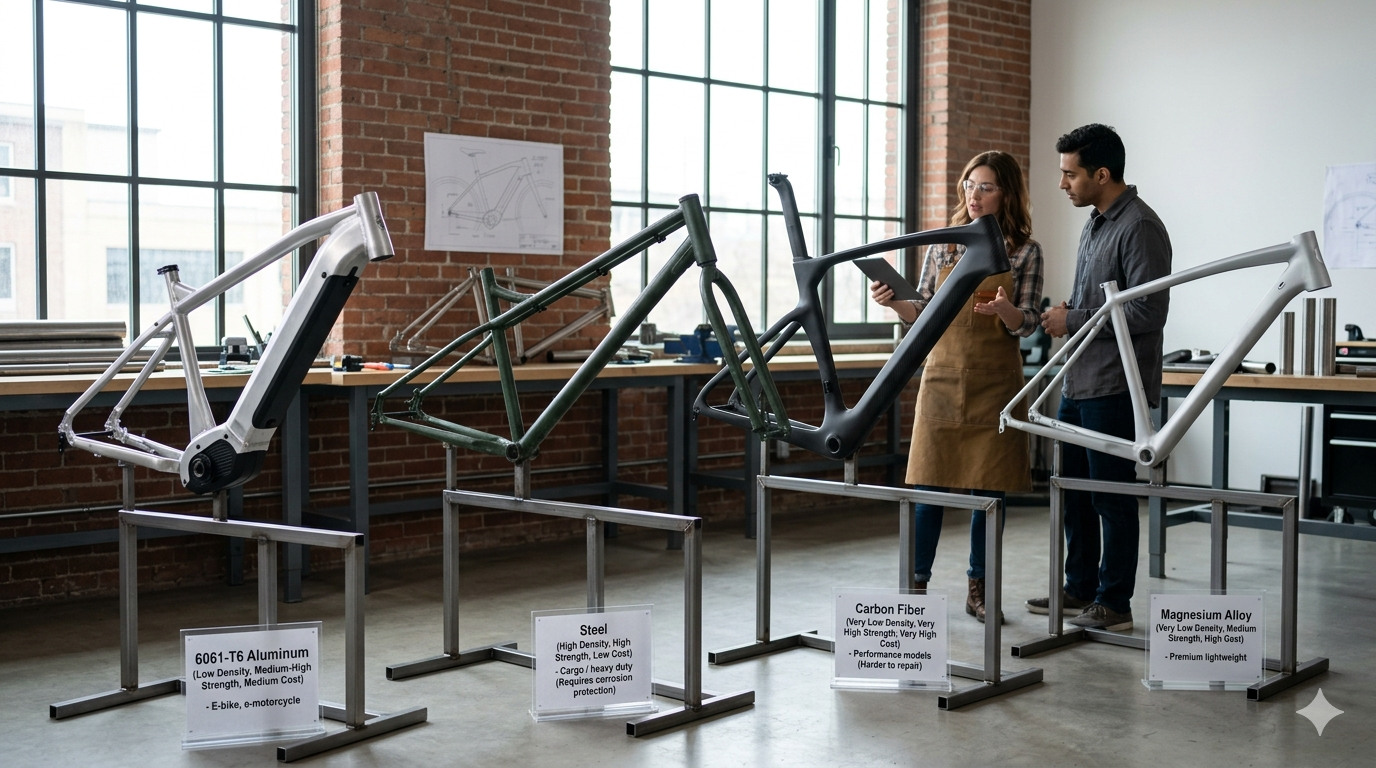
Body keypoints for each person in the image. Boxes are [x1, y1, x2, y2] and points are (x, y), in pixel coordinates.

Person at [870, 150, 1043, 623]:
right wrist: (895, 303)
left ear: (1006, 193)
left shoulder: (1026, 251)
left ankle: (979, 590)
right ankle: (916, 589)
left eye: (985, 186)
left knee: (990, 496)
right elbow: (923, 316)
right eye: (969, 184)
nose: (974, 194)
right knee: (927, 488)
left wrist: (1008, 312)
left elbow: (1027, 322)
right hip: (943, 379)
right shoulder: (944, 247)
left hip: (995, 386)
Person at [1027, 123, 1171, 632]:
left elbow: (1147, 312)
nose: (1062, 184)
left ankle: (1115, 603)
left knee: (1110, 496)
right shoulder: (1095, 222)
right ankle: (1079, 587)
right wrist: (1073, 310)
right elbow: (1103, 301)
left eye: (1070, 174)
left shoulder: (1139, 227)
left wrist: (1075, 318)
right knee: (1072, 492)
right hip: (1079, 380)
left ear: (1102, 174)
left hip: (1113, 385)